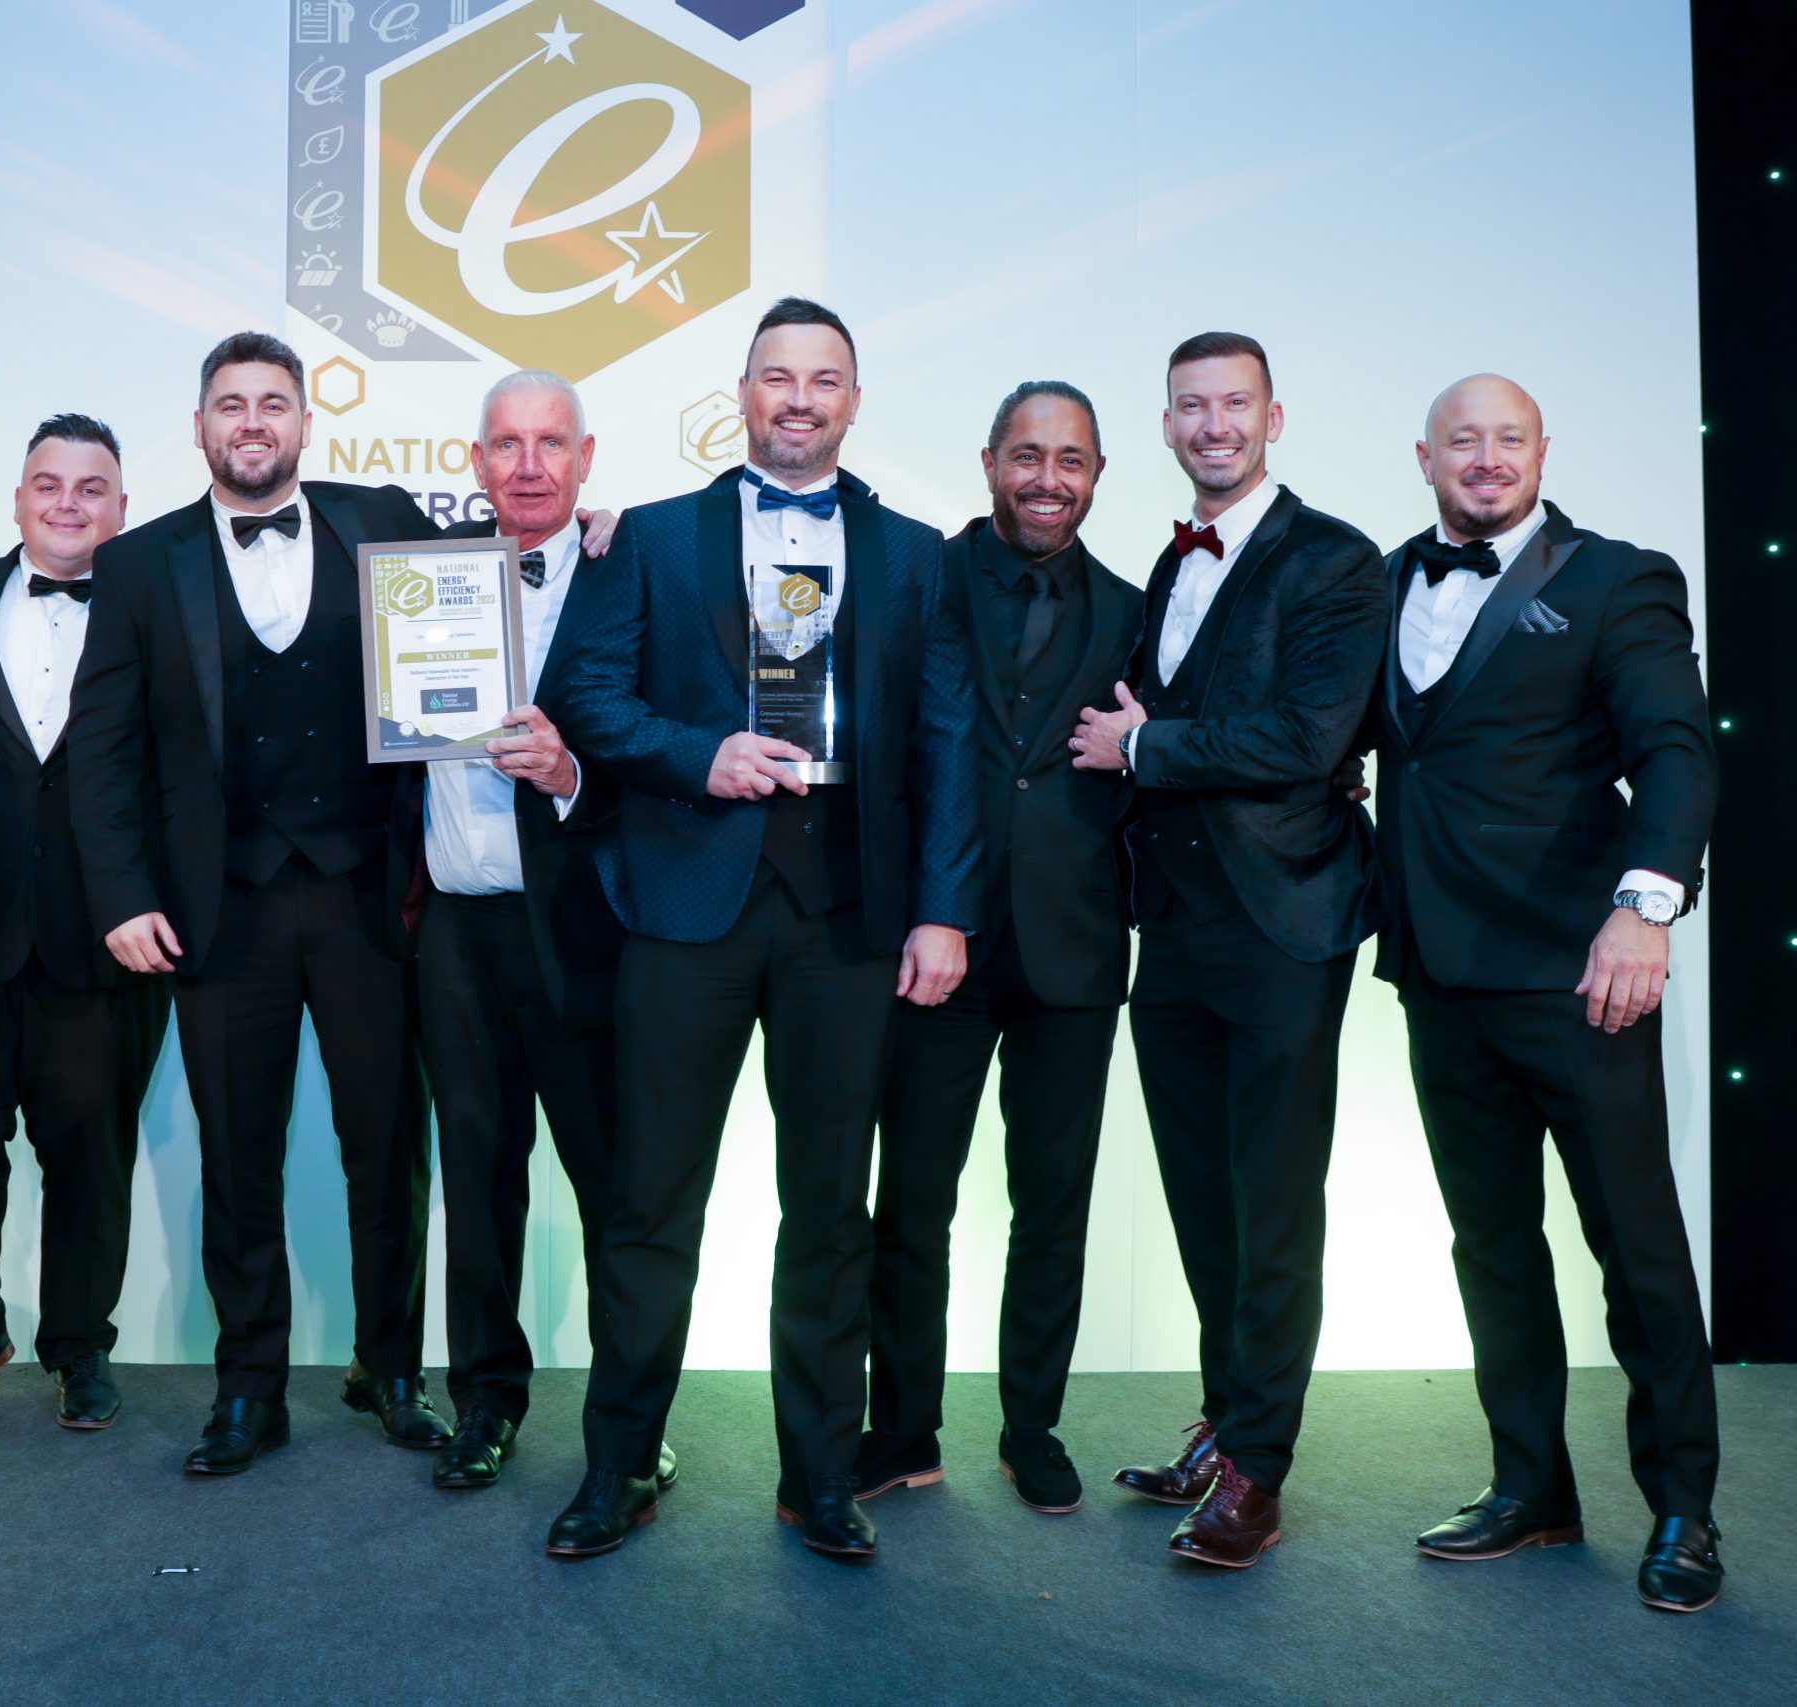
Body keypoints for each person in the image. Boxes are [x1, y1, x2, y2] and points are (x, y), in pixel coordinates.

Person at [537, 296, 982, 1561]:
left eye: (823, 379)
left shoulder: (916, 555)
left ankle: (820, 1478)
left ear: (853, 401)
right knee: (648, 1202)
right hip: (685, 906)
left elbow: (948, 741)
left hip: (849, 916)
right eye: (776, 377)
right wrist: (697, 755)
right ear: (738, 393)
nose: (798, 398)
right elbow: (583, 692)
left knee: (830, 1209)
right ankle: (617, 1466)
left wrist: (943, 911)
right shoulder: (652, 537)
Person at [1370, 375, 1722, 1612]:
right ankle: (1530, 1490)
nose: (1484, 459)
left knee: (1636, 1251)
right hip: (1436, 976)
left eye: (1506, 439)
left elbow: (1677, 749)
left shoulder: (1615, 577)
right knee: (1491, 1251)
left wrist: (1646, 907)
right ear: (1425, 457)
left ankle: (1684, 1508)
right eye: (1461, 441)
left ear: (1540, 452)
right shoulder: (1383, 582)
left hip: (1582, 978)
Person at [72, 332, 447, 1474]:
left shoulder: (381, 516)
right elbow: (104, 749)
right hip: (216, 907)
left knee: (385, 1147)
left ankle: (388, 1368)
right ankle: (249, 1388)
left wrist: (596, 530)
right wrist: (123, 897)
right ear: (198, 428)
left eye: (272, 404)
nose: (251, 423)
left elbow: (486, 602)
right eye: (229, 405)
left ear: (302, 423)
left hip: (367, 900)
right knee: (238, 1157)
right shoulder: (139, 564)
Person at [1071, 331, 1386, 1568]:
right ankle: (1225, 1416)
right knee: (1203, 1193)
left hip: (1286, 923)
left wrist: (1149, 747)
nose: (1212, 424)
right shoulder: (1168, 556)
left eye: (1233, 404)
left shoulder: (1335, 559)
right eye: (1190, 407)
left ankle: (1260, 1466)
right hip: (1180, 928)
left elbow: (1308, 738)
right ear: (1166, 426)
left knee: (1273, 1200)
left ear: (1273, 416)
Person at [862, 381, 1140, 1517]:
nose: (1046, 479)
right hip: (944, 939)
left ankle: (1031, 1426)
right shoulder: (918, 572)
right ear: (987, 462)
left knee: (1053, 1202)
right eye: (1027, 456)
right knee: (913, 1196)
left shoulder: (1133, 606)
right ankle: (904, 1429)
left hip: (1075, 946)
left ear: (1096, 474)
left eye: (1070, 460)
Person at [0, 415, 170, 1431]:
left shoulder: (159, 607)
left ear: (120, 508)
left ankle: (80, 1350)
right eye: (47, 485)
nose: (67, 503)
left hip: (108, 942)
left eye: (90, 487)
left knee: (91, 1159)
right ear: (17, 499)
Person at [411, 369, 645, 1492]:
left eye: (551, 443)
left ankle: (629, 1420)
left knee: (611, 1185)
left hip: (583, 929)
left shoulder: (625, 570)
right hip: (451, 932)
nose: (529, 464)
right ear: (474, 464)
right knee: (479, 1175)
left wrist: (572, 778)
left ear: (586, 459)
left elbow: (658, 749)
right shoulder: (417, 582)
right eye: (506, 444)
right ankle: (484, 1405)